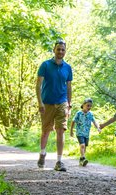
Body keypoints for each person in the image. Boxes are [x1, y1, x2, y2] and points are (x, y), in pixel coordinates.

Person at [36, 39, 72, 171]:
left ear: (65, 51)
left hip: (62, 102)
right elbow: (38, 85)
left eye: (63, 49)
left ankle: (59, 161)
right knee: (45, 131)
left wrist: (69, 104)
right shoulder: (45, 65)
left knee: (60, 130)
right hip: (47, 103)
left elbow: (69, 87)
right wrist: (40, 102)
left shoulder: (68, 68)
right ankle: (42, 153)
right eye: (58, 49)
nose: (60, 52)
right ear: (54, 50)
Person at [70, 98, 101, 166]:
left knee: (85, 146)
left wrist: (98, 128)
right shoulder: (79, 113)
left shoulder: (90, 114)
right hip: (80, 133)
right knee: (82, 145)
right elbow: (73, 121)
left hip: (86, 134)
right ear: (83, 105)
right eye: (88, 105)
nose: (89, 107)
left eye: (90, 106)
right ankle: (83, 158)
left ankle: (82, 159)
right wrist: (71, 130)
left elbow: (94, 121)